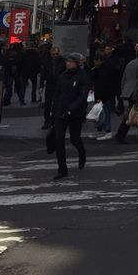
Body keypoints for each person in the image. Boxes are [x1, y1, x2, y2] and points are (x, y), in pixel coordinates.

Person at [50, 52, 89, 180]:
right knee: (59, 141)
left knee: (74, 139)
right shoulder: (63, 76)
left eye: (71, 61)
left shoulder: (82, 77)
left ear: (77, 63)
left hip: (74, 114)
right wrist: (53, 111)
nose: (68, 63)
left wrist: (72, 109)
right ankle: (62, 169)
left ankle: (82, 153)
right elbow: (57, 95)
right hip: (60, 113)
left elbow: (82, 97)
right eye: (67, 61)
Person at [115, 44, 138, 143]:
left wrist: (123, 91)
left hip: (128, 91)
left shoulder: (130, 63)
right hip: (135, 92)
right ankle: (120, 135)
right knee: (133, 113)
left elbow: (124, 78)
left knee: (137, 111)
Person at [90, 47, 116, 140]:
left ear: (99, 60)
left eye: (95, 61)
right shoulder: (104, 68)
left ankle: (107, 131)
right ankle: (101, 130)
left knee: (104, 113)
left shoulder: (103, 70)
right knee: (102, 113)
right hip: (105, 94)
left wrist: (99, 97)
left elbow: (102, 84)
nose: (94, 62)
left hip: (104, 95)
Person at [41, 46, 65, 129]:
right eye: (53, 54)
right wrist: (41, 85)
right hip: (50, 84)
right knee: (48, 103)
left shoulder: (63, 61)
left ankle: (55, 120)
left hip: (59, 85)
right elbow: (43, 73)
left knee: (57, 103)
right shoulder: (47, 61)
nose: (54, 56)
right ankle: (47, 120)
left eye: (56, 54)